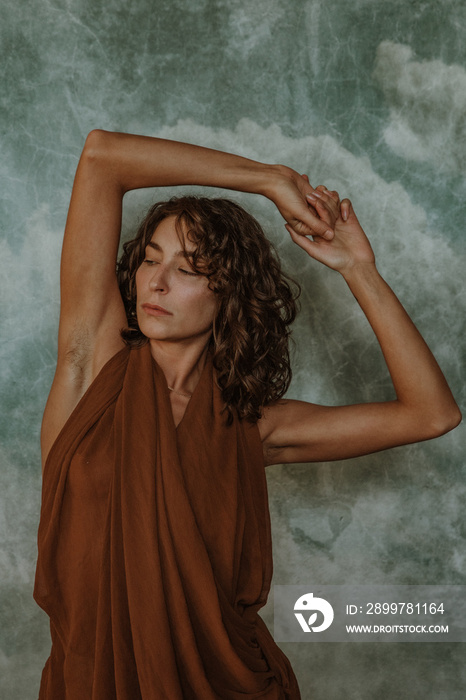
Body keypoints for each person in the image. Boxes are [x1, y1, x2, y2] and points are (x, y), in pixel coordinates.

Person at [34, 130, 461, 700]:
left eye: (187, 270)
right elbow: (101, 157)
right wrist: (268, 179)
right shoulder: (89, 372)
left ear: (228, 294)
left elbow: (431, 414)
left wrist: (358, 269)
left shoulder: (253, 426)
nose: (155, 283)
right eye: (149, 260)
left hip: (226, 684)